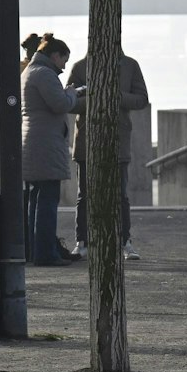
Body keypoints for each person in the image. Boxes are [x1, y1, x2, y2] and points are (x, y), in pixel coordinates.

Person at [66, 47, 150, 261]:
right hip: (86, 139)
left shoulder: (130, 65)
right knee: (84, 194)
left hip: (118, 139)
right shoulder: (79, 67)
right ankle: (82, 241)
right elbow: (69, 101)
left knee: (120, 195)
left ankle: (124, 242)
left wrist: (115, 97)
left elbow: (141, 99)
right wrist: (97, 100)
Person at [22, 33, 85, 267]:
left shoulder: (31, 71)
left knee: (36, 200)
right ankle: (46, 253)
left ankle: (35, 250)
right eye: (63, 61)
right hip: (45, 144)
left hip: (34, 143)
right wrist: (71, 92)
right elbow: (60, 104)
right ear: (54, 55)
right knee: (48, 202)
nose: (64, 66)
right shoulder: (44, 74)